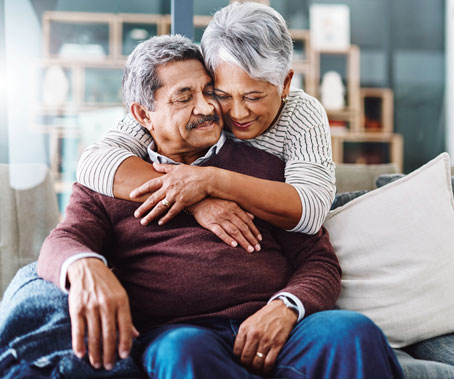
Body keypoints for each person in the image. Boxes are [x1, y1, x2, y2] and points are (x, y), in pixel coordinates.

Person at [32, 35, 403, 378]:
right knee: (182, 351)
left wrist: (286, 307)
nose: (207, 107)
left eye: (209, 91)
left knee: (351, 332)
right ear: (143, 116)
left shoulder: (264, 168)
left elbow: (318, 259)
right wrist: (84, 268)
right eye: (184, 97)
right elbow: (60, 243)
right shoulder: (109, 182)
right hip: (183, 334)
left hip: (279, 329)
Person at [76, 2, 336, 254]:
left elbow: (311, 211)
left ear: (286, 83)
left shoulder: (301, 113)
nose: (237, 113)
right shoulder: (196, 108)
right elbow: (94, 163)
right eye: (221, 94)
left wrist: (211, 180)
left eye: (253, 97)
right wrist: (197, 199)